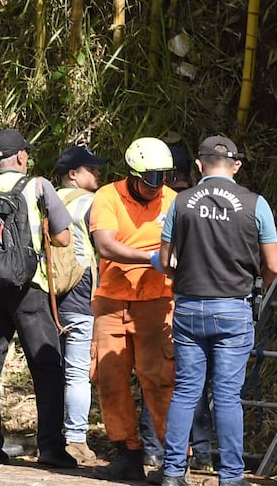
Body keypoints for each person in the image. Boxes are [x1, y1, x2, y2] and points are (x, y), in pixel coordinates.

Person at [158, 136, 277, 486]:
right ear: (236, 166)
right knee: (226, 396)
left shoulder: (180, 203)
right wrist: (258, 282)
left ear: (199, 165)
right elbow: (273, 263)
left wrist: (179, 276)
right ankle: (230, 477)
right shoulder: (256, 204)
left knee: (185, 392)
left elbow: (166, 261)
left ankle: (171, 473)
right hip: (233, 309)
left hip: (188, 307)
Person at [0, 128, 78, 468]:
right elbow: (64, 238)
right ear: (22, 157)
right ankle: (52, 449)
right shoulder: (38, 187)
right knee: (46, 367)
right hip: (29, 289)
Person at [89, 137, 177, 481]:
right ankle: (127, 453)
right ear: (133, 175)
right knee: (109, 379)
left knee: (159, 380)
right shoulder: (108, 197)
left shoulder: (174, 201)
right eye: (152, 178)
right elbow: (106, 244)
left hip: (157, 302)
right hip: (112, 301)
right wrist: (151, 258)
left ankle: (173, 458)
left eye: (164, 177)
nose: (158, 186)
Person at [140, 138, 215, 473]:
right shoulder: (208, 203)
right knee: (197, 383)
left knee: (159, 378)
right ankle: (201, 453)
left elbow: (166, 257)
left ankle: (157, 451)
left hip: (167, 300)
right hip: (207, 299)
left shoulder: (174, 205)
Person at [53, 145, 107, 465]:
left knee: (51, 369)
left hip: (45, 293)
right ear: (73, 174)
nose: (97, 173)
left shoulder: (43, 201)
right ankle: (76, 439)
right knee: (76, 371)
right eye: (91, 169)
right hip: (79, 291)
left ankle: (52, 435)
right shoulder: (91, 203)